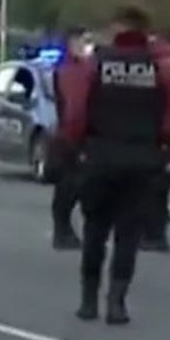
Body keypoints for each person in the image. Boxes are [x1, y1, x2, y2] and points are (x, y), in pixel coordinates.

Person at [58, 6, 170, 325]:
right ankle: (117, 302)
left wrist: (72, 146)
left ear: (118, 28)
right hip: (142, 160)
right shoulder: (162, 67)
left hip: (101, 156)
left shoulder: (96, 64)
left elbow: (76, 112)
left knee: (94, 230)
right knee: (127, 234)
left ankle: (88, 301)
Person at [139, 26, 170, 253]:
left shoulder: (151, 65)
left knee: (146, 188)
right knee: (156, 187)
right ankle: (155, 231)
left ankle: (153, 233)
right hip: (161, 137)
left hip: (145, 135)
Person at [51, 26, 96, 250]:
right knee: (70, 186)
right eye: (82, 41)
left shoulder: (87, 68)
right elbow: (74, 107)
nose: (86, 46)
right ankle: (63, 231)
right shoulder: (69, 70)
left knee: (75, 186)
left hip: (74, 135)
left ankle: (65, 230)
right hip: (72, 137)